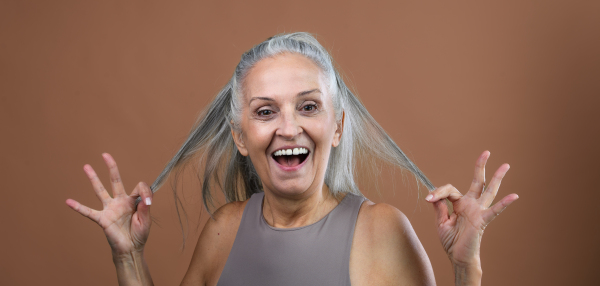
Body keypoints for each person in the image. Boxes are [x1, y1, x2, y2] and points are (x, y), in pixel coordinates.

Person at [66, 32, 519, 286]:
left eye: (308, 106)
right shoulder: (223, 229)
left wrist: (466, 267)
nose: (288, 128)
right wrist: (127, 256)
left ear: (337, 126)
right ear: (241, 137)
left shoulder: (380, 231)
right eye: (266, 111)